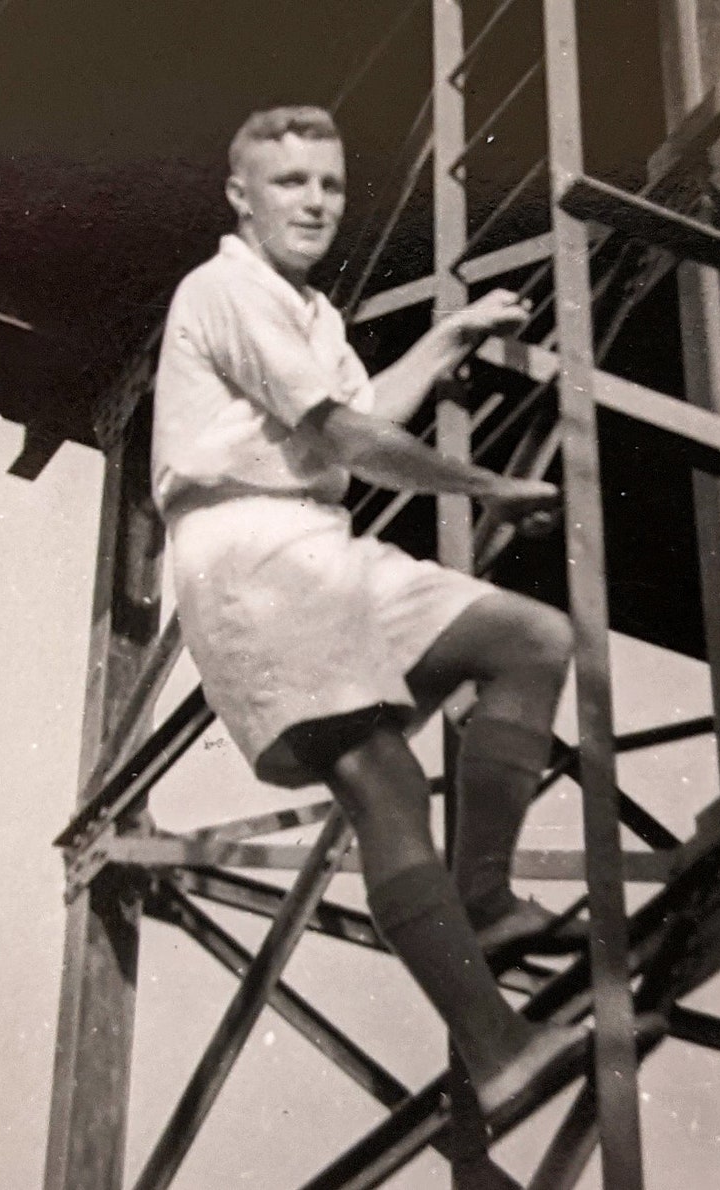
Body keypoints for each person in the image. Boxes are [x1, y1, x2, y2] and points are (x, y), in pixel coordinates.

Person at [152, 105, 587, 1117]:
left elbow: (362, 406)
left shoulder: (309, 313)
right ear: (240, 196)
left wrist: (450, 333)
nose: (313, 202)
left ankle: (484, 899)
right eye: (290, 181)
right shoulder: (222, 288)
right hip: (248, 557)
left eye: (330, 185)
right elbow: (348, 435)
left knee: (531, 638)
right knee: (384, 780)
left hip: (318, 545)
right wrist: (484, 487)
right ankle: (499, 1050)